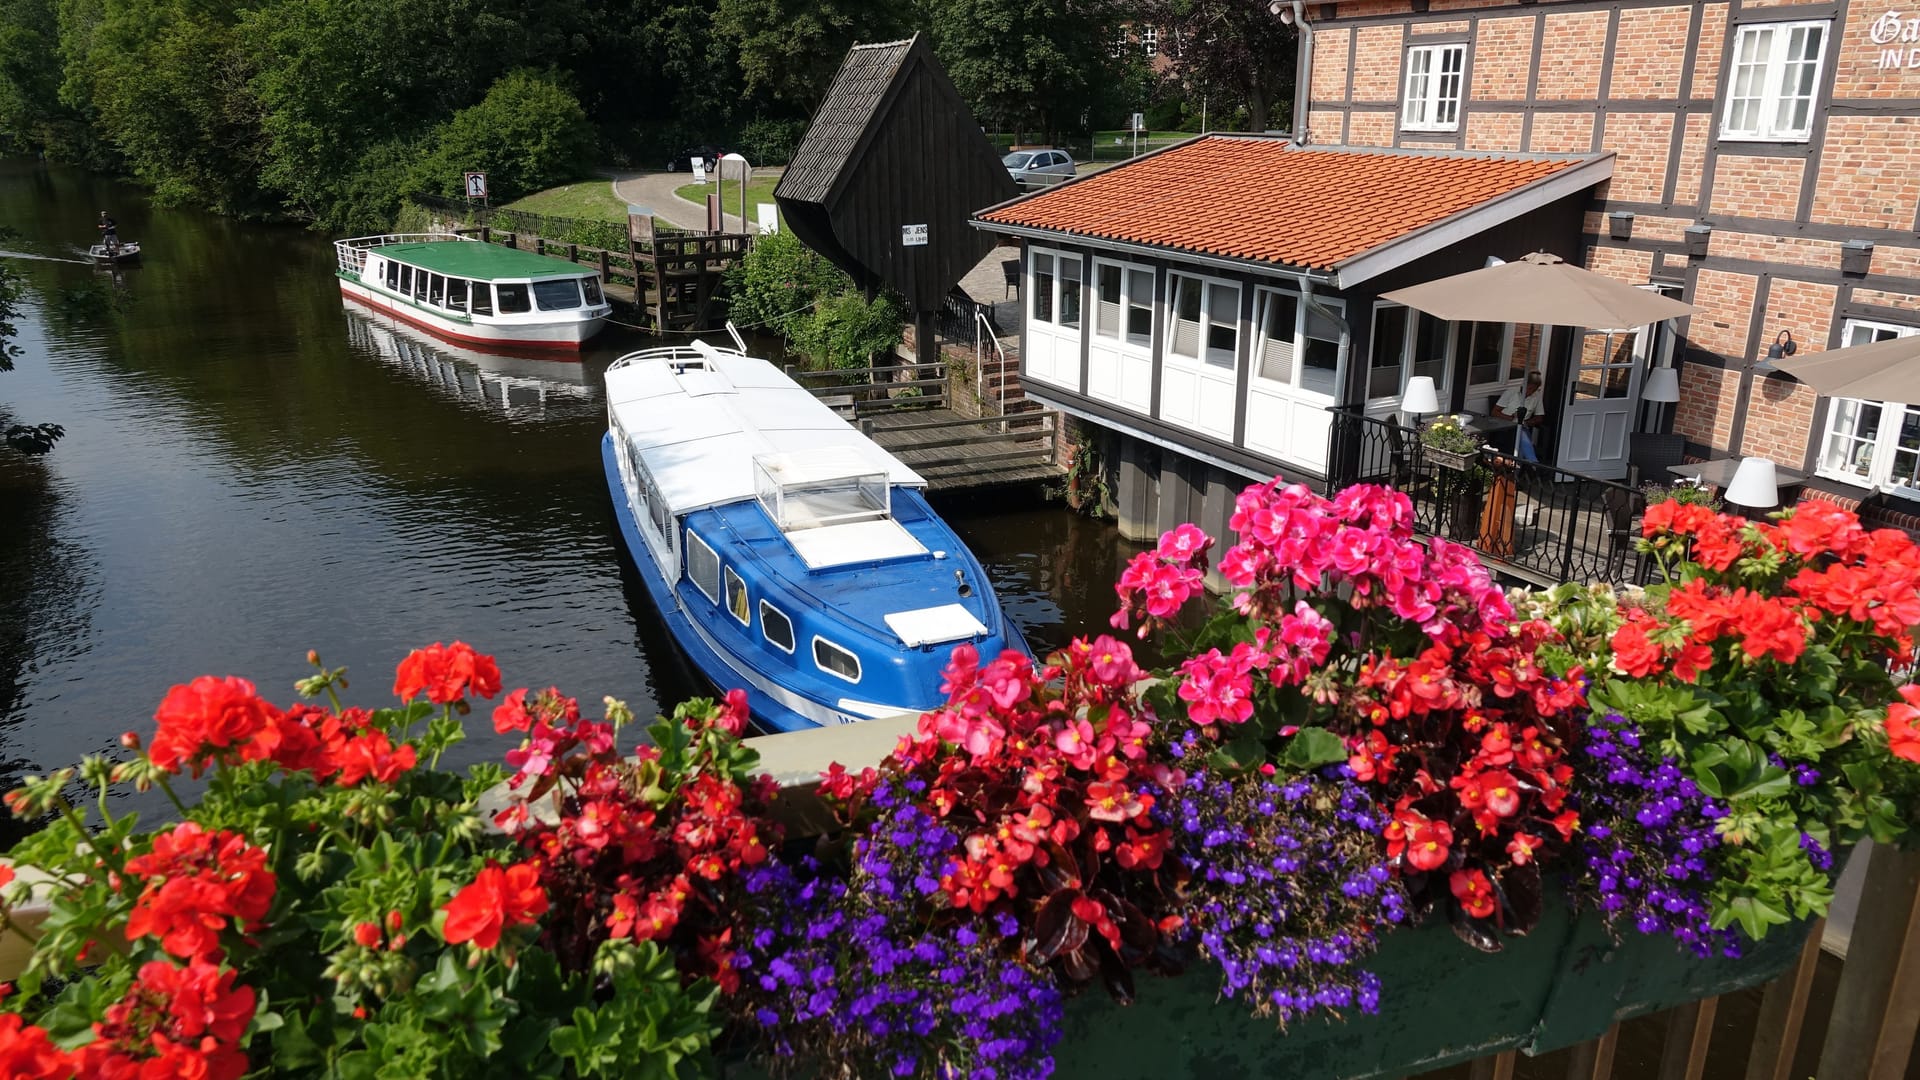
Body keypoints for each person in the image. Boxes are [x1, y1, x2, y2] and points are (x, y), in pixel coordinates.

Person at [1493, 371, 1547, 462]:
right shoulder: (1511, 392)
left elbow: (1539, 417)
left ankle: (1521, 468)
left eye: (1534, 390)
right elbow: (1494, 412)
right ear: (1524, 384)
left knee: (1521, 437)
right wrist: (1512, 417)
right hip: (1506, 425)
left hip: (1522, 426)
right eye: (1529, 388)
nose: (1531, 392)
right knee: (1522, 438)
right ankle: (1533, 464)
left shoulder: (1536, 396)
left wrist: (1526, 422)